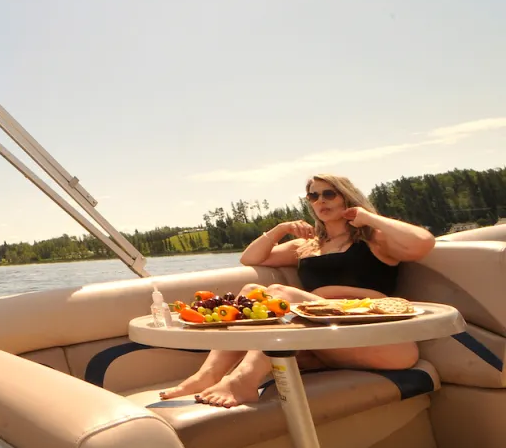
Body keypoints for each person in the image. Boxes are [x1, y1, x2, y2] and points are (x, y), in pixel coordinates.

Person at [159, 173, 435, 408]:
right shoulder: (307, 246)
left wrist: (369, 218)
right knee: (252, 289)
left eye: (329, 194)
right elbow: (251, 258)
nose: (321, 201)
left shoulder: (376, 240)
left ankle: (243, 380)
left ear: (347, 197)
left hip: (382, 338)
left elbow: (423, 242)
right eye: (313, 197)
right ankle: (207, 374)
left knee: (281, 292)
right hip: (328, 339)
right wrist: (280, 229)